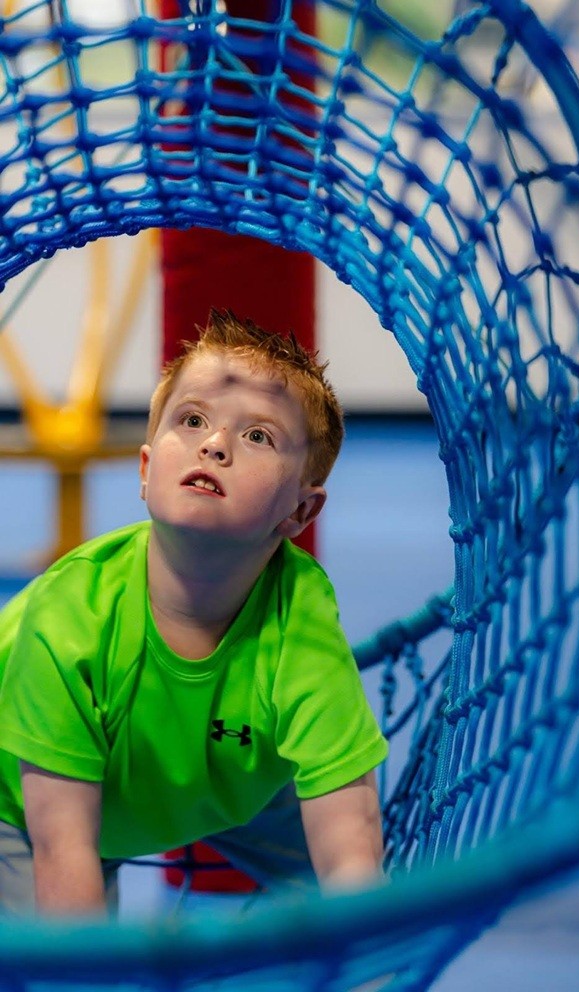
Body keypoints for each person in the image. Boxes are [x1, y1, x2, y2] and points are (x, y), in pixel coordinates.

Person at [0, 308, 388, 916]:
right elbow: (64, 849)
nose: (215, 443)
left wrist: (363, 924)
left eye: (257, 436)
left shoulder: (300, 613)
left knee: (366, 922)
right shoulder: (69, 615)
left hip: (230, 784)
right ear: (147, 470)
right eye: (192, 419)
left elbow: (350, 847)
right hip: (25, 805)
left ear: (300, 512)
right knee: (60, 955)